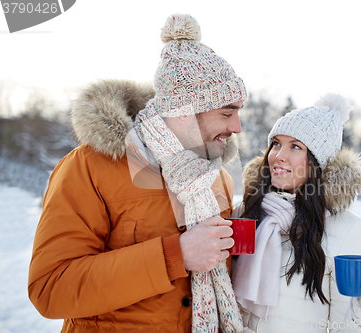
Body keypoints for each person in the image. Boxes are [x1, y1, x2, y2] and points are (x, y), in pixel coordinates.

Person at [28, 14, 248, 333]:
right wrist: (176, 255)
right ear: (183, 113)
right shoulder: (88, 168)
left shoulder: (217, 177)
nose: (236, 127)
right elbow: (51, 288)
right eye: (226, 113)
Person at [231, 93, 361, 332]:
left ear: (317, 163)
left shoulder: (345, 230)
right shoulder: (245, 212)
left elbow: (343, 326)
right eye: (276, 144)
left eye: (295, 146)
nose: (279, 156)